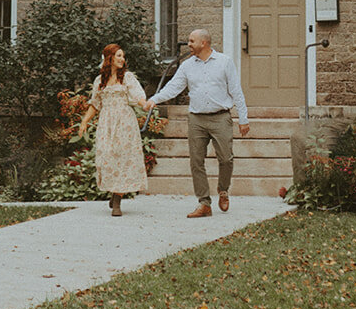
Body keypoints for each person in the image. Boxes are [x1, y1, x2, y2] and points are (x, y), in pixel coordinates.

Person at [145, 28, 249, 217]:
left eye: (192, 41)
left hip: (221, 117)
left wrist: (243, 119)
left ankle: (223, 190)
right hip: (196, 119)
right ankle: (204, 203)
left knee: (226, 159)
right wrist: (155, 99)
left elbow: (236, 91)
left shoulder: (224, 62)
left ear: (204, 43)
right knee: (196, 161)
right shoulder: (187, 66)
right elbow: (174, 87)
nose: (189, 44)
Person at [76, 43, 149, 215]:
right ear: (109, 58)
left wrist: (145, 104)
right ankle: (113, 193)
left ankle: (117, 201)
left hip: (125, 122)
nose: (122, 59)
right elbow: (95, 104)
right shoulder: (99, 81)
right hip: (106, 123)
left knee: (123, 158)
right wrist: (84, 122)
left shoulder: (127, 78)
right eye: (118, 56)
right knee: (106, 157)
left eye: (123, 56)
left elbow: (137, 96)